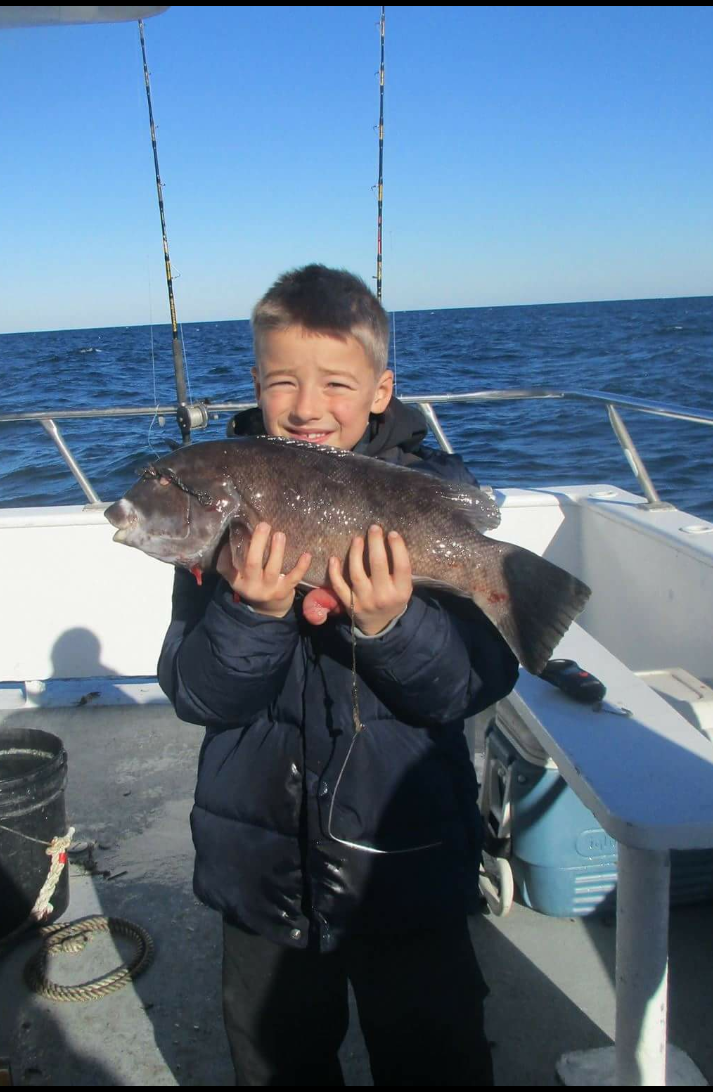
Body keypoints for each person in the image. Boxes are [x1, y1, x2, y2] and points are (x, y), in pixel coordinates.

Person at [157, 264, 518, 1085]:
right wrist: (251, 615)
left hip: (410, 859)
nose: (308, 405)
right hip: (264, 874)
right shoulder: (221, 495)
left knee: (436, 1058)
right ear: (255, 381)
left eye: (337, 382)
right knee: (278, 1061)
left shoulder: (436, 493)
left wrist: (392, 626)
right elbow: (197, 693)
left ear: (382, 389)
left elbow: (469, 686)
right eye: (283, 380)